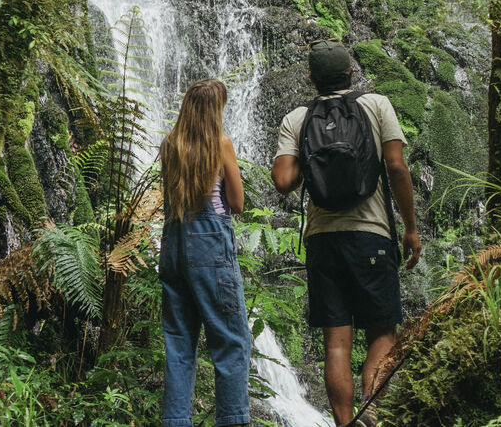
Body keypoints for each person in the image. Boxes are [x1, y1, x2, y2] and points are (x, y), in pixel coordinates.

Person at [271, 41, 421, 427]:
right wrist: (410, 228)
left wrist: (312, 160)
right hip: (372, 235)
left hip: (323, 239)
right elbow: (397, 167)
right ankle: (371, 408)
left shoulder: (297, 118)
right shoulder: (376, 105)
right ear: (351, 73)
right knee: (382, 333)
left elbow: (284, 181)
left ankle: (344, 425)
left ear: (311, 79)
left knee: (336, 344)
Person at [158, 78, 251, 427]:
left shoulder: (170, 144)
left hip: (173, 247)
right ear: (215, 111)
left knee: (180, 345)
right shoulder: (220, 144)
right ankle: (232, 421)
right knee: (230, 341)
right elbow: (238, 203)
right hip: (209, 246)